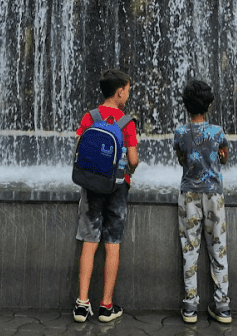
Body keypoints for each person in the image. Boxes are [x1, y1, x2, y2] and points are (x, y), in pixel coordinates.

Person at [73, 68, 139, 323]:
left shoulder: (89, 117)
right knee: (112, 245)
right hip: (117, 188)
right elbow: (132, 159)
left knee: (89, 244)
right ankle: (106, 306)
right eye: (128, 91)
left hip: (91, 185)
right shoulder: (127, 122)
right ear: (120, 91)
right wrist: (131, 163)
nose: (128, 96)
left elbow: (79, 150)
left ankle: (81, 305)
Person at [173, 78, 231, 325]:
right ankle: (222, 306)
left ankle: (190, 306)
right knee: (218, 248)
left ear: (186, 105)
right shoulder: (218, 132)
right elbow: (224, 159)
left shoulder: (180, 133)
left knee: (190, 248)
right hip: (214, 196)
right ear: (209, 105)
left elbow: (181, 160)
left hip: (189, 196)